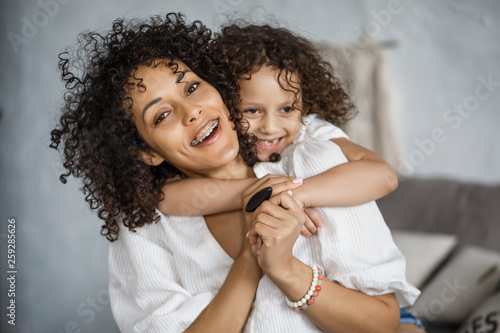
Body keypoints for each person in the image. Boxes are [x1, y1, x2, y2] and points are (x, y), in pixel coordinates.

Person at [50, 13, 420, 332]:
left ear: (221, 88)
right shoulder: (145, 224)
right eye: (161, 115)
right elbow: (169, 201)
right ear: (146, 151)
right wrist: (251, 258)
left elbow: (383, 323)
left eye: (193, 87)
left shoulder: (314, 158)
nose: (191, 111)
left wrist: (287, 270)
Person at [156, 22, 426, 332]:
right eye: (252, 111)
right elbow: (168, 198)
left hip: (369, 301)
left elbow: (383, 176)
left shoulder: (312, 135)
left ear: (304, 105)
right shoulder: (227, 152)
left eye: (286, 109)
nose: (270, 127)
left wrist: (297, 194)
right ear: (227, 104)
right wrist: (263, 195)